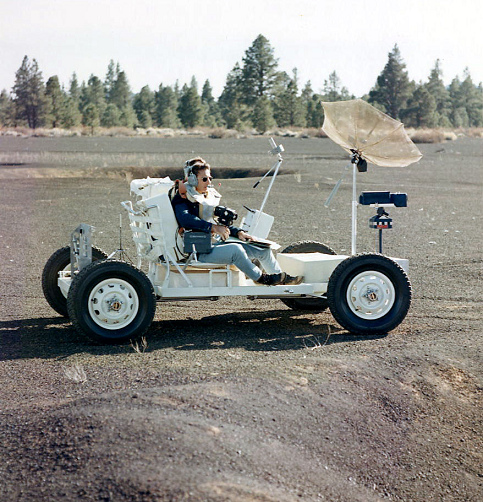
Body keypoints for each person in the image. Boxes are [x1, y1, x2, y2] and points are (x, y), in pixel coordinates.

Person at [171, 157, 302, 286]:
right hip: (198, 250)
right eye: (204, 179)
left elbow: (217, 222)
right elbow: (186, 219)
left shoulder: (205, 197)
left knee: (263, 249)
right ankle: (261, 279)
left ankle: (280, 279)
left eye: (210, 178)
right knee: (236, 250)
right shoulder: (182, 199)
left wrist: (239, 232)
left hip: (214, 243)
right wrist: (213, 228)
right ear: (193, 179)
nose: (208, 182)